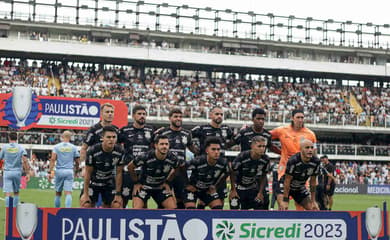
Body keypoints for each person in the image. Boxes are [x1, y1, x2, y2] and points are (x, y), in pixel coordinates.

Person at [233, 108, 280, 209]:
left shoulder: (267, 135)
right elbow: (231, 142)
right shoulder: (244, 133)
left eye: (263, 119)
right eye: (258, 118)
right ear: (253, 119)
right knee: (241, 203)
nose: (261, 121)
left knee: (264, 200)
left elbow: (271, 147)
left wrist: (283, 152)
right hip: (244, 172)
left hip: (259, 172)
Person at [270, 109, 317, 209]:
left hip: (301, 175)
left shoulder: (310, 134)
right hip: (284, 173)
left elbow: (314, 155)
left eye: (302, 117)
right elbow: (265, 137)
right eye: (298, 117)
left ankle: (300, 223)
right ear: (292, 118)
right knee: (283, 206)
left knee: (304, 207)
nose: (300, 120)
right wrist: (278, 151)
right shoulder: (281, 130)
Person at [154, 108, 198, 209]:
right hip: (165, 171)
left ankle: (179, 221)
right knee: (163, 200)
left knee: (182, 199)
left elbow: (194, 150)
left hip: (180, 171)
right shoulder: (163, 133)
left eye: (180, 116)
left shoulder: (187, 134)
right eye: (176, 116)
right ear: (170, 118)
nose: (178, 119)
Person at [191, 106, 233, 208]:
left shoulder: (226, 129)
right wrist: (196, 151)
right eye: (217, 114)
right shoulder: (202, 129)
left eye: (221, 114)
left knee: (220, 199)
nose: (219, 116)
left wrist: (224, 147)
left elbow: (233, 140)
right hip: (204, 169)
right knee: (201, 201)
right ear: (211, 115)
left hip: (219, 169)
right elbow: (186, 137)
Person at [79, 103, 118, 207]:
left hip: (110, 174)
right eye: (107, 112)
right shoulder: (94, 130)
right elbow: (84, 148)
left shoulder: (116, 130)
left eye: (111, 112)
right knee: (87, 204)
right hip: (93, 173)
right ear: (101, 113)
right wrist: (83, 166)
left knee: (111, 205)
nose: (110, 114)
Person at [127, 135, 179, 209]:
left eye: (166, 144)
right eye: (162, 144)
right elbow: (130, 167)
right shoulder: (146, 156)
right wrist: (136, 183)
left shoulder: (173, 159)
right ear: (156, 145)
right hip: (144, 187)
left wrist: (168, 182)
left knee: (173, 209)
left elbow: (177, 169)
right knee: (136, 210)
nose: (164, 146)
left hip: (160, 187)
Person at [79, 126, 125, 208]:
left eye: (114, 137)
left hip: (108, 182)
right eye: (108, 137)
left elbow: (119, 173)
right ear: (102, 138)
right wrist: (85, 194)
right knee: (86, 204)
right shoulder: (93, 151)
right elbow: (88, 173)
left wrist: (118, 194)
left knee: (116, 205)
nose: (111, 139)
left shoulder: (120, 151)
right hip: (93, 182)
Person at [118, 105, 155, 207]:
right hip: (128, 171)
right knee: (123, 200)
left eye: (144, 114)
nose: (142, 116)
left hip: (144, 171)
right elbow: (116, 146)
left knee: (143, 201)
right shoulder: (125, 130)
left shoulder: (150, 130)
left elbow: (153, 148)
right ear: (133, 116)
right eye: (139, 114)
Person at [184, 137, 230, 210]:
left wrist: (215, 186)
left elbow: (226, 174)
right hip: (193, 190)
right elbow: (181, 169)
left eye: (218, 149)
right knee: (190, 209)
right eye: (213, 149)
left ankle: (201, 205)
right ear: (207, 150)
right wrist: (186, 184)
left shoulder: (223, 163)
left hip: (207, 190)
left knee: (218, 208)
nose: (216, 152)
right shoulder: (197, 161)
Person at [229, 136, 270, 210]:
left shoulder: (265, 159)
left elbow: (264, 175)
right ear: (252, 146)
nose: (262, 149)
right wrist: (233, 190)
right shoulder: (242, 157)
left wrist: (260, 192)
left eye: (264, 146)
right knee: (234, 209)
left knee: (260, 204)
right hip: (238, 188)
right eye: (259, 146)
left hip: (252, 188)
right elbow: (232, 171)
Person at [279, 139, 320, 211]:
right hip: (285, 186)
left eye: (311, 147)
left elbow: (313, 182)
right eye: (307, 148)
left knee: (313, 209)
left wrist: (313, 201)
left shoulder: (316, 161)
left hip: (299, 187)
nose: (310, 150)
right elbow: (287, 181)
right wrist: (285, 200)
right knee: (283, 208)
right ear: (301, 149)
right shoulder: (293, 160)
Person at [48, 131, 80, 208]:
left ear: (62, 137)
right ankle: (67, 211)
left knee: (58, 193)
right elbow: (77, 161)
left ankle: (56, 210)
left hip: (59, 171)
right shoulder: (73, 147)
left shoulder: (56, 147)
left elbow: (52, 159)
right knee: (68, 193)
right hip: (69, 170)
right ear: (70, 137)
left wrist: (50, 171)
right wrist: (77, 170)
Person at [0, 132, 29, 207]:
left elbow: (0, 158)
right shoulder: (21, 148)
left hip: (7, 172)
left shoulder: (5, 147)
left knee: (7, 193)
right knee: (16, 192)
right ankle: (15, 210)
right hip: (17, 172)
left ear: (9, 138)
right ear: (17, 138)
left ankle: (8, 212)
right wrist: (27, 173)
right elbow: (25, 160)